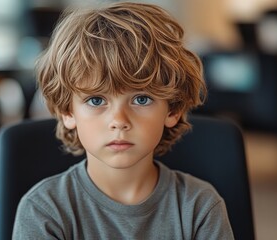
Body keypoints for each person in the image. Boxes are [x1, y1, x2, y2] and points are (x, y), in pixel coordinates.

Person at [13, 2, 234, 239]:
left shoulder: (200, 207)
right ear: (68, 112)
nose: (119, 121)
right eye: (97, 101)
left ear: (173, 109)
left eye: (141, 99)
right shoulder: (43, 210)